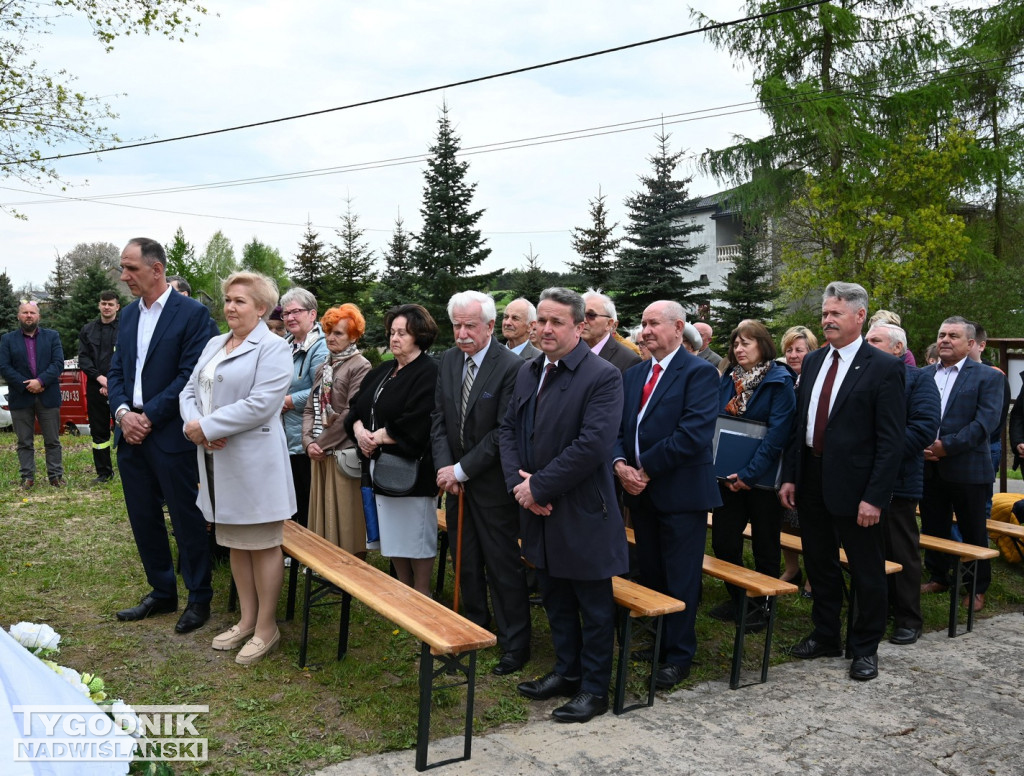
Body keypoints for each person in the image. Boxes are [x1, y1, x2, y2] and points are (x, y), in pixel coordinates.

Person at [500, 287, 627, 724]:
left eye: (557, 322)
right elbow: (508, 430)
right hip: (536, 508)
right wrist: (521, 487)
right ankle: (566, 672)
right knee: (553, 597)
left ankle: (594, 689)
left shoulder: (602, 376)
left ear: (579, 326)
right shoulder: (527, 370)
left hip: (582, 510)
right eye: (542, 321)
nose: (546, 329)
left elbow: (592, 445)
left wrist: (540, 488)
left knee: (592, 605)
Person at [779, 282, 905, 682]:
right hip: (812, 477)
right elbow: (802, 425)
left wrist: (875, 497)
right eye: (825, 312)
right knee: (820, 561)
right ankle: (825, 634)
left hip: (858, 487)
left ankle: (864, 648)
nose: (826, 319)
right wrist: (791, 477)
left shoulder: (883, 367)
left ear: (860, 316)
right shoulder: (814, 361)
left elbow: (891, 441)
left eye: (835, 313)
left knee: (867, 569)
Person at [180, 272, 294, 664]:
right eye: (228, 299)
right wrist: (195, 427)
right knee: (234, 544)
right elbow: (190, 390)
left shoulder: (275, 348)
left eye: (240, 301)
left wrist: (208, 426)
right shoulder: (215, 343)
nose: (229, 307)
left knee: (261, 546)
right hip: (214, 459)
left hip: (254, 463)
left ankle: (267, 627)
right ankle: (246, 620)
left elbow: (262, 403)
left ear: (261, 308)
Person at [108, 237, 220, 634]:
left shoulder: (192, 315)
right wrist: (123, 413)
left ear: (157, 270)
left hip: (170, 434)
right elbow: (118, 370)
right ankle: (161, 591)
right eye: (123, 268)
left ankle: (198, 596)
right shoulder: (127, 316)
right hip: (130, 433)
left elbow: (190, 376)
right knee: (143, 516)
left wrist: (147, 417)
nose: (124, 277)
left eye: (131, 268)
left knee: (186, 516)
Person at [613, 300, 721, 688]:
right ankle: (659, 639)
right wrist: (620, 465)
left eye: (654, 323)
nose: (646, 331)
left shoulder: (700, 373)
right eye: (643, 324)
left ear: (678, 327)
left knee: (681, 575)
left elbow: (693, 434)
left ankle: (678, 654)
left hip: (680, 493)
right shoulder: (636, 373)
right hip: (640, 492)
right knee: (653, 570)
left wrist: (645, 469)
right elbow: (618, 429)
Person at [431, 291, 531, 675]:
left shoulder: (510, 367)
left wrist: (461, 470)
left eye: (470, 325)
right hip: (456, 484)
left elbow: (502, 431)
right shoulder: (449, 361)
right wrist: (446, 469)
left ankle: (514, 643)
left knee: (502, 564)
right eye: (456, 325)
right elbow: (439, 418)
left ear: (490, 326)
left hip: (490, 485)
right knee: (465, 560)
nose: (462, 333)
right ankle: (474, 625)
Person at [346, 304, 439, 596]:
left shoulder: (429, 371)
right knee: (393, 533)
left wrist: (378, 437)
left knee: (416, 534)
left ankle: (422, 594)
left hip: (413, 469)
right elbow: (356, 406)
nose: (394, 338)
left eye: (403, 333)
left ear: (419, 336)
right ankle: (402, 586)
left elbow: (421, 418)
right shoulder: (384, 369)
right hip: (379, 467)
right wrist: (360, 432)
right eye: (392, 332)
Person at [709, 320, 795, 631]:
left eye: (746, 343)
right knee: (724, 542)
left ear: (763, 345)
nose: (739, 349)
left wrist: (749, 473)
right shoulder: (728, 379)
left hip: (761, 480)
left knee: (765, 545)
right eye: (735, 344)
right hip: (726, 479)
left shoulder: (780, 380)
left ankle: (763, 605)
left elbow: (777, 435)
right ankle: (740, 598)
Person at [919, 317, 1004, 612]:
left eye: (953, 336)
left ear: (970, 344)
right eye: (942, 334)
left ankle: (976, 588)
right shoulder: (923, 375)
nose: (944, 339)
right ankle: (939, 576)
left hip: (967, 469)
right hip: (928, 467)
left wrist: (945, 447)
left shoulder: (988, 377)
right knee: (933, 526)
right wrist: (922, 446)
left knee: (973, 531)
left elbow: (985, 424)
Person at [864, 323, 940, 645]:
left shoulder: (919, 380)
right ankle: (874, 613)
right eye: (866, 340)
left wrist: (880, 454)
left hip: (899, 481)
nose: (867, 345)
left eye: (875, 340)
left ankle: (909, 617)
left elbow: (923, 428)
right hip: (861, 482)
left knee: (902, 551)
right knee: (870, 551)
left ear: (898, 348)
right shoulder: (861, 378)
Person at [302, 304, 372, 554]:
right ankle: (325, 563)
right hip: (320, 452)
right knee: (323, 513)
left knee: (344, 515)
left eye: (339, 333)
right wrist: (308, 441)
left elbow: (350, 413)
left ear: (354, 336)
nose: (331, 337)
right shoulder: (325, 366)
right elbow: (310, 407)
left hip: (340, 452)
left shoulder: (360, 366)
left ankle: (349, 569)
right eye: (329, 332)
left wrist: (320, 443)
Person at [0, 301, 65, 488]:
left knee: (52, 440)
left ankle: (55, 476)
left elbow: (58, 363)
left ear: (39, 316)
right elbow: (4, 366)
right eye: (25, 312)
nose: (29, 316)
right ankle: (27, 477)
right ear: (19, 316)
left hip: (48, 395)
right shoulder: (8, 339)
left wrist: (41, 381)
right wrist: (28, 385)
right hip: (21, 396)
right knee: (24, 441)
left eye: (32, 313)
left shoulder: (52, 337)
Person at [280, 287, 328, 528]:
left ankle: (311, 554)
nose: (290, 318)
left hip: (307, 436)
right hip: (283, 436)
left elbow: (321, 390)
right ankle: (293, 550)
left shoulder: (321, 346)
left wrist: (287, 402)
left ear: (312, 314)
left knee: (307, 495)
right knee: (290, 497)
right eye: (286, 313)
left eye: (295, 311)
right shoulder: (284, 345)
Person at [779, 325, 818, 595]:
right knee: (785, 518)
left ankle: (813, 575)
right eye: (789, 350)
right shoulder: (783, 379)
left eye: (799, 350)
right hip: (783, 457)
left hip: (806, 459)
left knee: (807, 521)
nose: (793, 355)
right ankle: (792, 568)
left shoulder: (815, 380)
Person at [77, 291, 120, 483]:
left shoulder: (126, 329)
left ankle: (131, 471)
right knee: (99, 432)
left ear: (117, 307)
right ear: (99, 305)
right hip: (96, 387)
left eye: (111, 304)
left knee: (125, 430)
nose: (107, 307)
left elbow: (128, 357)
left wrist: (111, 382)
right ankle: (104, 473)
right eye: (104, 303)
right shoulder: (88, 330)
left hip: (121, 386)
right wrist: (100, 379)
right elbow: (83, 359)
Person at [581, 289, 641, 372]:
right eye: (580, 314)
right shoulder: (566, 351)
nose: (583, 320)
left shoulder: (629, 360)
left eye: (591, 315)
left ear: (609, 324)